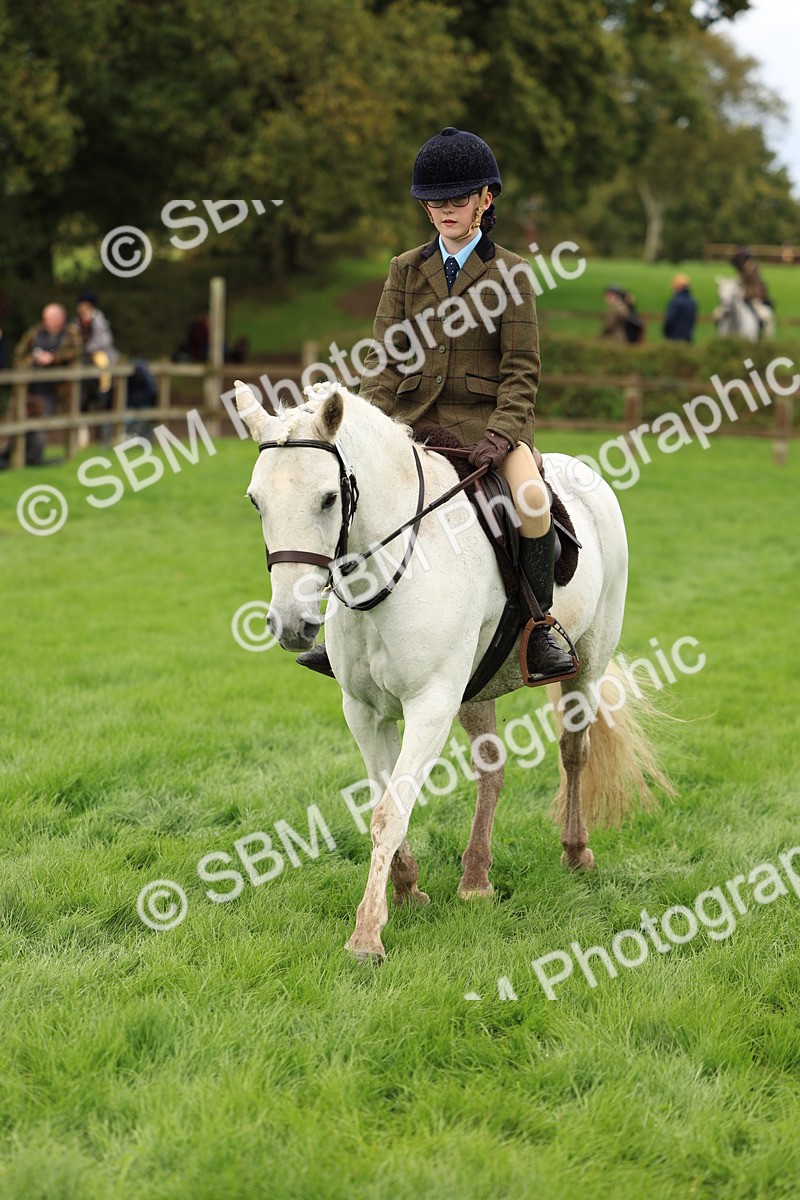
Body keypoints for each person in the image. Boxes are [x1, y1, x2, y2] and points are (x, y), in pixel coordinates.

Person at [298, 125, 573, 683]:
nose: (446, 210)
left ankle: (540, 628)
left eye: (459, 200)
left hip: (487, 430)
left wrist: (503, 433)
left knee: (531, 498)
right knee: (355, 498)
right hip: (413, 424)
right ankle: (342, 634)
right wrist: (365, 428)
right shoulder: (404, 270)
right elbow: (384, 363)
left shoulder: (511, 273)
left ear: (485, 200)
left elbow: (522, 371)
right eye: (436, 201)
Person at [1, 304, 82, 467]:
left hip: (57, 390)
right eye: (44, 318)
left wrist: (54, 358)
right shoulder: (35, 333)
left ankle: (32, 457)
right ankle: (10, 456)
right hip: (30, 387)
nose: (45, 321)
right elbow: (18, 355)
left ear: (59, 319)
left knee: (41, 423)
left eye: (48, 318)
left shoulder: (70, 335)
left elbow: (77, 353)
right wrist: (33, 360)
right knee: (18, 419)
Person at [731, 246, 773, 328]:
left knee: (763, 317)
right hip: (741, 299)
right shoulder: (741, 271)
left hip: (753, 299)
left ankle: (761, 334)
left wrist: (747, 294)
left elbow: (755, 287)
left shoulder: (753, 270)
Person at [663, 273, 698, 342]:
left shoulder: (675, 301)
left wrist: (666, 331)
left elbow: (670, 319)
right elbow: (693, 320)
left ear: (679, 286)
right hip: (688, 336)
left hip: (674, 337)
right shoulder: (692, 301)